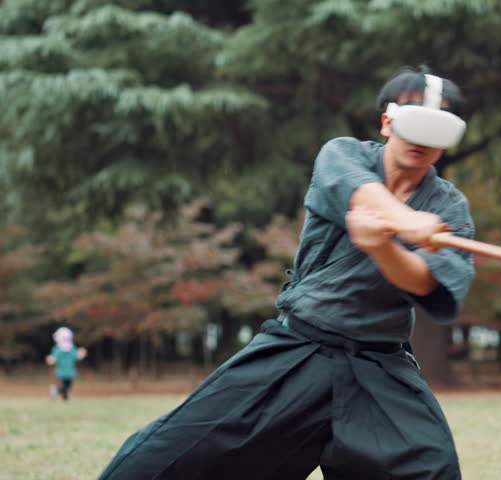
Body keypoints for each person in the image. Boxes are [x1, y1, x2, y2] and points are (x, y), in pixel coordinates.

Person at [99, 65, 475, 480]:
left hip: (379, 366)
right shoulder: (343, 155)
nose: (421, 140)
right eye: (413, 122)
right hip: (297, 349)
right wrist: (404, 221)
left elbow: (422, 281)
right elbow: (360, 192)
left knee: (431, 467)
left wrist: (382, 247)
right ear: (387, 122)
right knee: (164, 457)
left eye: (436, 128)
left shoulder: (449, 207)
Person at [46, 326, 87, 401]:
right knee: (66, 386)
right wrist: (82, 353)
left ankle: (64, 397)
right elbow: (77, 357)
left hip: (63, 371)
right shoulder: (70, 348)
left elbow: (53, 359)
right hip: (67, 371)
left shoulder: (58, 349)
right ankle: (58, 392)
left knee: (66, 386)